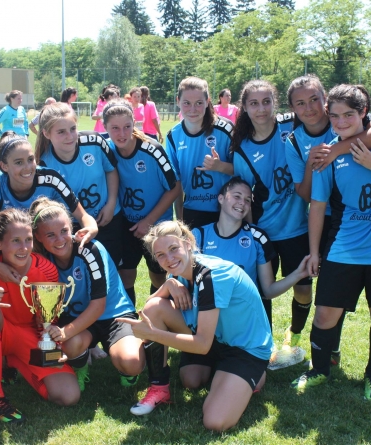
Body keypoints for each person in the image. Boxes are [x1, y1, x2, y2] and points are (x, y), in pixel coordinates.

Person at [291, 84, 371, 401]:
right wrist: (315, 252)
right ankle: (318, 370)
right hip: (344, 248)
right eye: (335, 116)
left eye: (348, 115)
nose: (341, 122)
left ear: (363, 113)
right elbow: (317, 206)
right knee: (325, 315)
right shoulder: (327, 153)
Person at [118, 220, 272, 431]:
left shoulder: (212, 275)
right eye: (161, 255)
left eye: (173, 249)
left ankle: (250, 377)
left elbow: (201, 345)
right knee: (190, 379)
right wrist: (169, 284)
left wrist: (153, 334)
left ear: (189, 243)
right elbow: (149, 309)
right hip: (214, 338)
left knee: (215, 422)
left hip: (243, 349)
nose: (169, 259)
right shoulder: (179, 270)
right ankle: (159, 388)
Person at [0, 208, 80, 424]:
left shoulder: (46, 269)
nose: (24, 248)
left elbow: (50, 318)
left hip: (26, 334)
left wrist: (48, 339)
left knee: (68, 395)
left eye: (28, 240)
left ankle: (12, 361)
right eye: (16, 241)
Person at [225, 79, 310, 367]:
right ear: (245, 108)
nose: (261, 108)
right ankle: (265, 344)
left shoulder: (293, 126)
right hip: (265, 231)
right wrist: (249, 232)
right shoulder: (242, 149)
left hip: (299, 226)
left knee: (304, 287)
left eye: (266, 101)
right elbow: (246, 195)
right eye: (253, 103)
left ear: (275, 102)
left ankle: (294, 337)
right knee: (263, 290)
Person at [30, 197, 146, 391]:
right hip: (78, 319)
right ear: (38, 237)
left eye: (64, 231)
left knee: (131, 362)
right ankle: (80, 367)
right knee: (70, 344)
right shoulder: (41, 260)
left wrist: (64, 332)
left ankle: (129, 368)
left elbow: (98, 306)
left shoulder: (90, 249)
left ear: (72, 227)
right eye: (50, 235)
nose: (59, 240)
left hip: (113, 316)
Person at [0, 131, 98, 283]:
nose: (28, 168)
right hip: (11, 255)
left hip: (48, 251)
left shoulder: (50, 178)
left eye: (30, 159)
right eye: (19, 162)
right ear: (4, 166)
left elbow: (82, 215)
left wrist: (92, 228)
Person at [192, 177, 310, 328]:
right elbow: (185, 281)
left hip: (244, 326)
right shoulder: (198, 236)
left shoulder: (257, 238)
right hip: (207, 326)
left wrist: (298, 274)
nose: (243, 202)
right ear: (221, 198)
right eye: (237, 196)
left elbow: (268, 291)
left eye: (248, 200)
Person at [102, 99, 180, 304]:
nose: (122, 133)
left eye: (127, 127)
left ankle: (156, 319)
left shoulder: (152, 149)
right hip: (126, 223)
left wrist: (149, 221)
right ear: (105, 127)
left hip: (156, 225)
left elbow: (175, 188)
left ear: (134, 123)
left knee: (158, 274)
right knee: (126, 274)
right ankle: (130, 323)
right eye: (115, 128)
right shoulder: (106, 149)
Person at [35, 102, 124, 269]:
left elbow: (111, 170)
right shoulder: (43, 163)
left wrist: (111, 204)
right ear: (46, 133)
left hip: (109, 218)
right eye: (61, 132)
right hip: (72, 229)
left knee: (115, 271)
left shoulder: (95, 142)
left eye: (73, 129)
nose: (70, 136)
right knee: (81, 275)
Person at [165, 77, 234, 229]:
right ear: (178, 101)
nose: (193, 109)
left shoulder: (226, 129)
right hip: (192, 211)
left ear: (208, 101)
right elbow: (176, 182)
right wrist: (180, 216)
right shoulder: (173, 136)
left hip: (227, 209)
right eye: (187, 103)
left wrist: (220, 166)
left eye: (199, 103)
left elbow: (245, 171)